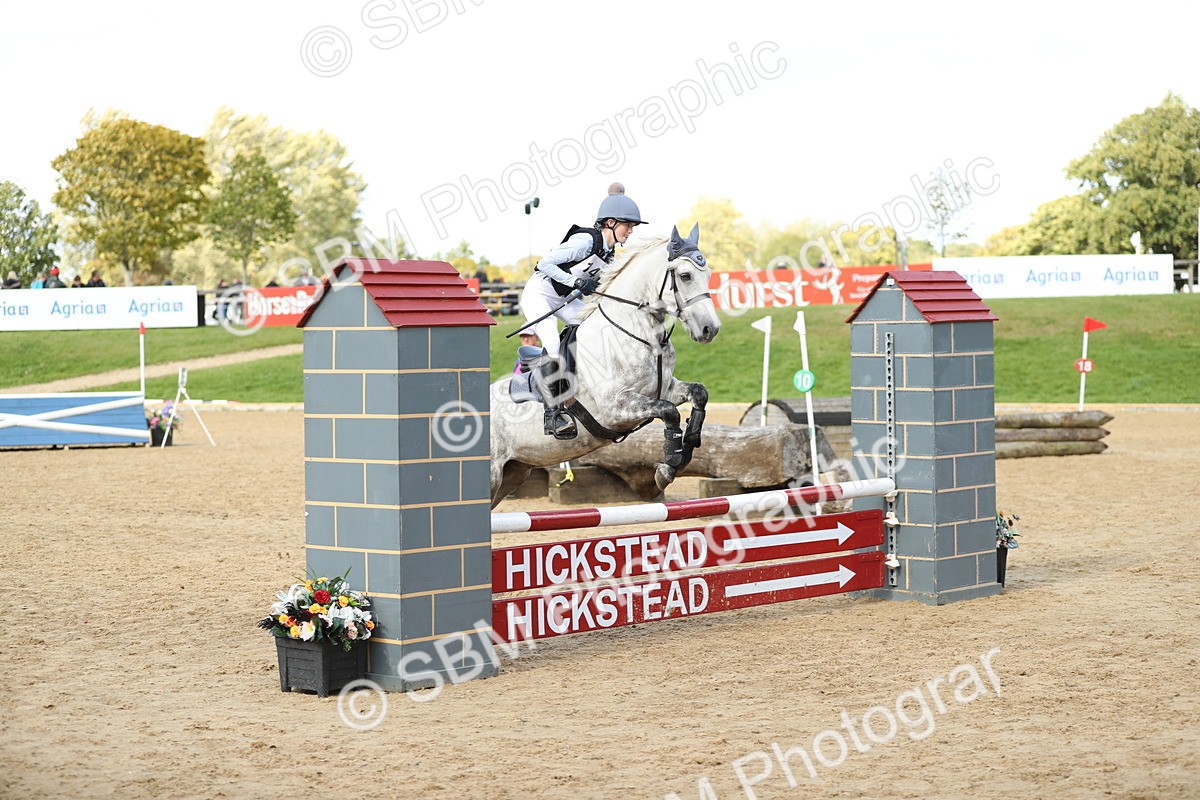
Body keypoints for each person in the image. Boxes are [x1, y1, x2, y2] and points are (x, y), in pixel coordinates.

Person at [519, 182, 645, 436]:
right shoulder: (585, 241)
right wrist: (575, 282)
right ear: (610, 222)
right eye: (628, 226)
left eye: (632, 227)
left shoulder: (609, 254)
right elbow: (544, 264)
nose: (630, 231)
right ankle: (552, 413)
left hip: (563, 299)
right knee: (553, 344)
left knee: (595, 328)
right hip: (539, 294)